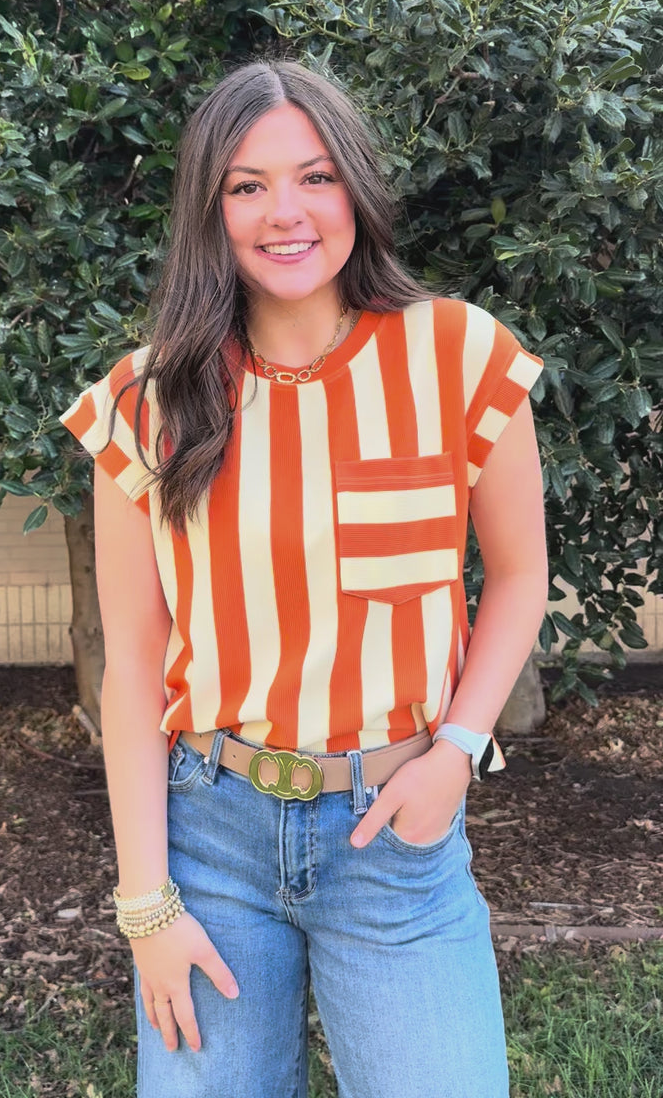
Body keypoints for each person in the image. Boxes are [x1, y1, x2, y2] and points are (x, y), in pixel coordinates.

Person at [59, 58, 548, 1098]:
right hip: (211, 841)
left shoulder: (459, 355)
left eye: (314, 176)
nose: (285, 212)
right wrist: (146, 903)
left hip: (397, 838)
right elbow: (135, 663)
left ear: (356, 191)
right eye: (247, 185)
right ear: (211, 208)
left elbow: (517, 577)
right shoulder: (145, 398)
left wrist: (458, 750)